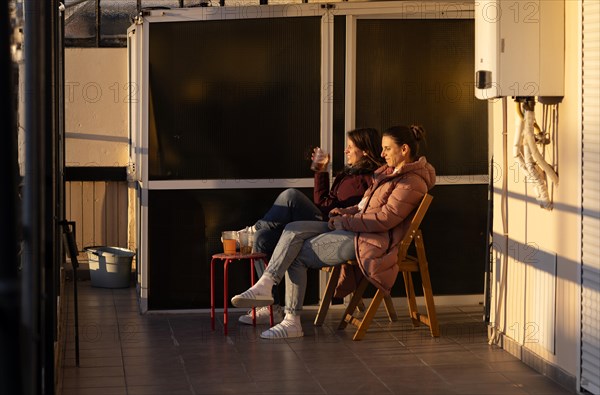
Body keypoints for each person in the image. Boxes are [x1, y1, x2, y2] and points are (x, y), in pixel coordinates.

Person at [231, 125, 436, 339]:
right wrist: (345, 211)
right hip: (352, 226)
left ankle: (292, 321)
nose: (382, 154)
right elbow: (363, 205)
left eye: (387, 149)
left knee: (296, 254)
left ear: (404, 150)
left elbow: (384, 220)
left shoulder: (411, 182)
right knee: (293, 229)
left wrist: (345, 221)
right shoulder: (387, 173)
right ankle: (266, 284)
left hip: (366, 239)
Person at [237, 128, 384, 326]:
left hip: (334, 228)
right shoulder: (347, 175)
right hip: (322, 219)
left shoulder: (372, 179)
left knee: (290, 196)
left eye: (350, 147)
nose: (345, 151)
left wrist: (343, 213)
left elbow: (363, 210)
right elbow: (322, 202)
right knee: (262, 239)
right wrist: (321, 171)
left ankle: (251, 229)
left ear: (365, 151)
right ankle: (272, 307)